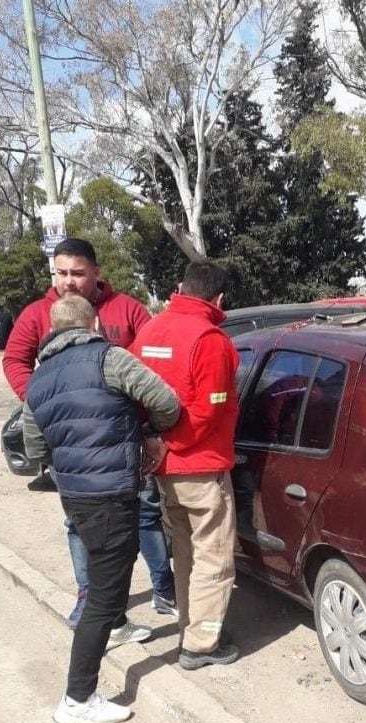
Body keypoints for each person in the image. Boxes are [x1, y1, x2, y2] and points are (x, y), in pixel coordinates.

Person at [2, 238, 177, 639]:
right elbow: (14, 360)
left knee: (147, 515)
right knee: (78, 524)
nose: (69, 282)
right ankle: (91, 596)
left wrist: (149, 429)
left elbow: (153, 364)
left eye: (77, 273)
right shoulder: (36, 314)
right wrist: (43, 402)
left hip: (127, 440)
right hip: (72, 446)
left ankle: (164, 589)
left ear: (96, 272)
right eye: (61, 273)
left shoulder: (128, 309)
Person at [23, 294, 180, 723]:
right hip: (112, 492)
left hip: (75, 495)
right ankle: (77, 699)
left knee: (107, 568)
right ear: (93, 322)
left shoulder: (38, 381)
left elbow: (35, 447)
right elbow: (166, 401)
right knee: (104, 593)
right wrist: (148, 432)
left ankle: (115, 628)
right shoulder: (108, 357)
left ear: (51, 330)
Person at [130, 261, 240, 670]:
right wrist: (168, 443)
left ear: (181, 287)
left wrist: (153, 442)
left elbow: (135, 393)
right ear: (219, 298)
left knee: (187, 554)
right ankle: (200, 646)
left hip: (165, 470)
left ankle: (189, 630)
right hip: (199, 465)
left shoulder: (150, 331)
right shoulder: (210, 340)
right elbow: (207, 412)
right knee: (213, 556)